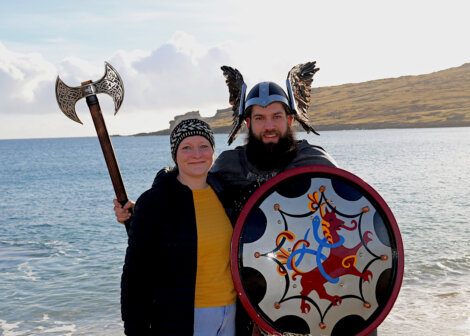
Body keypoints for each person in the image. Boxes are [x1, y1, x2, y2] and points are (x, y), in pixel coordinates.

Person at [120, 118, 237, 335]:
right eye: (187, 148)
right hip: (182, 318)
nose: (196, 154)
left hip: (231, 314)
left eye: (204, 146)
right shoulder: (155, 202)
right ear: (175, 154)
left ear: (213, 150)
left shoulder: (227, 193)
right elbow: (135, 277)